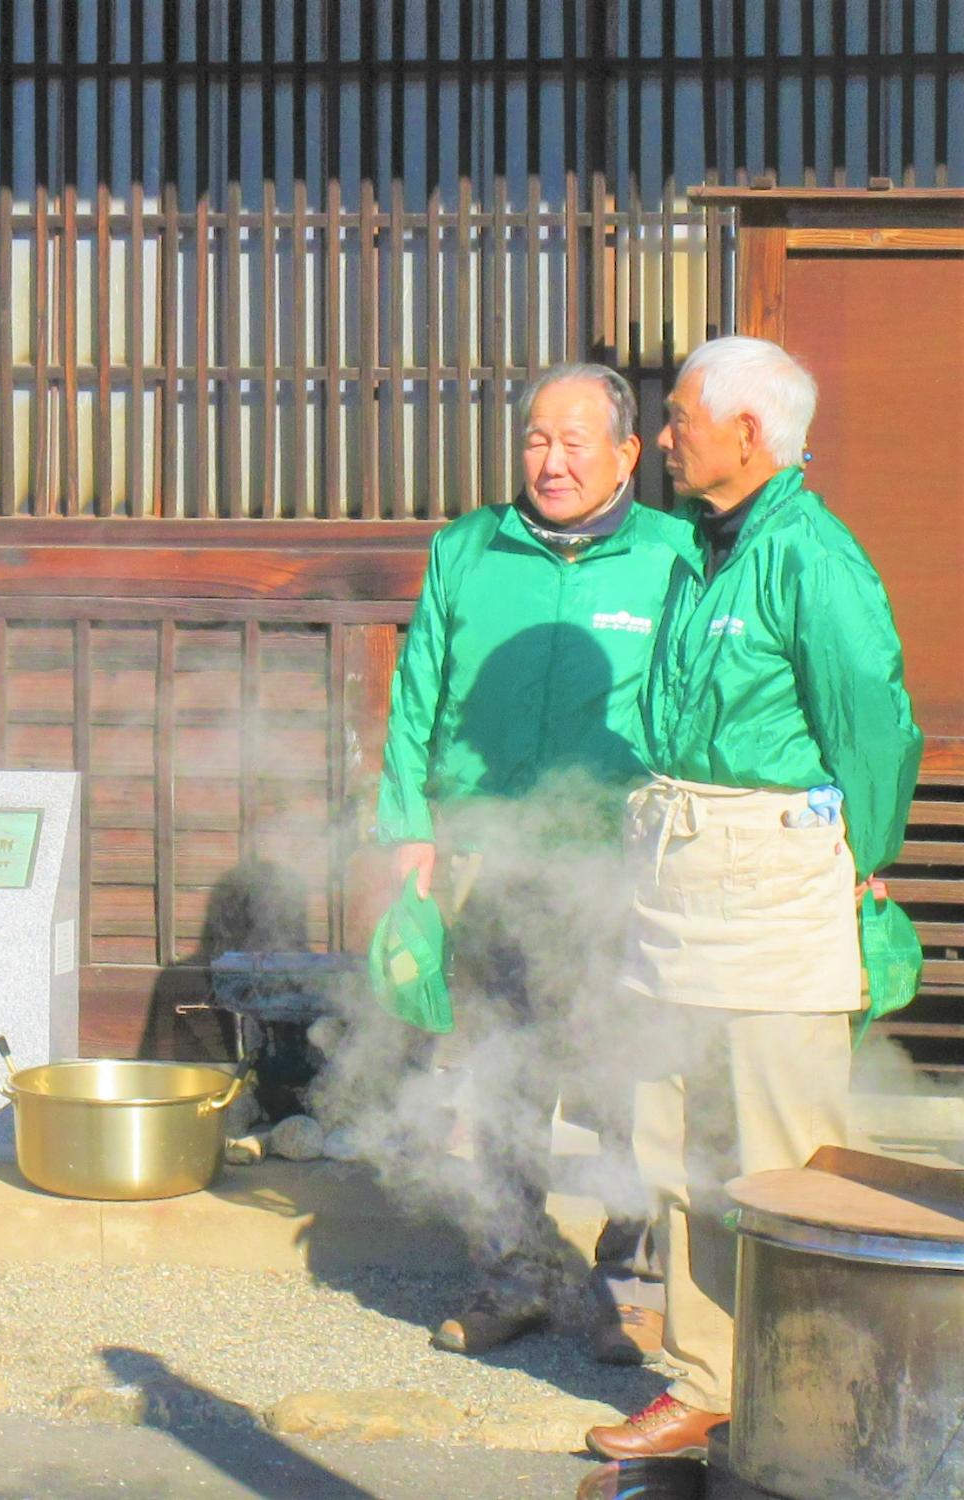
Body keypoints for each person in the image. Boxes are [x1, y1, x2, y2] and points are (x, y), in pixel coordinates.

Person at [587, 337, 921, 1461]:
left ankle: (812, 1403)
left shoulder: (811, 557)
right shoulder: (700, 550)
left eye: (676, 415)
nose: (662, 433)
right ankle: (701, 1378)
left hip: (774, 870)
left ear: (748, 433)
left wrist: (863, 864)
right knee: (674, 1134)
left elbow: (872, 722)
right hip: (679, 864)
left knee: (783, 1156)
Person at [375, 363, 698, 1358]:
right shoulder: (468, 550)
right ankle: (510, 1274)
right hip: (488, 860)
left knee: (619, 1075)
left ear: (625, 455)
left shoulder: (677, 555)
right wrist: (405, 830)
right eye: (532, 441)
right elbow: (413, 694)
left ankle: (629, 1283)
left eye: (570, 442)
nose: (548, 461)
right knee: (500, 1074)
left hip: (619, 864)